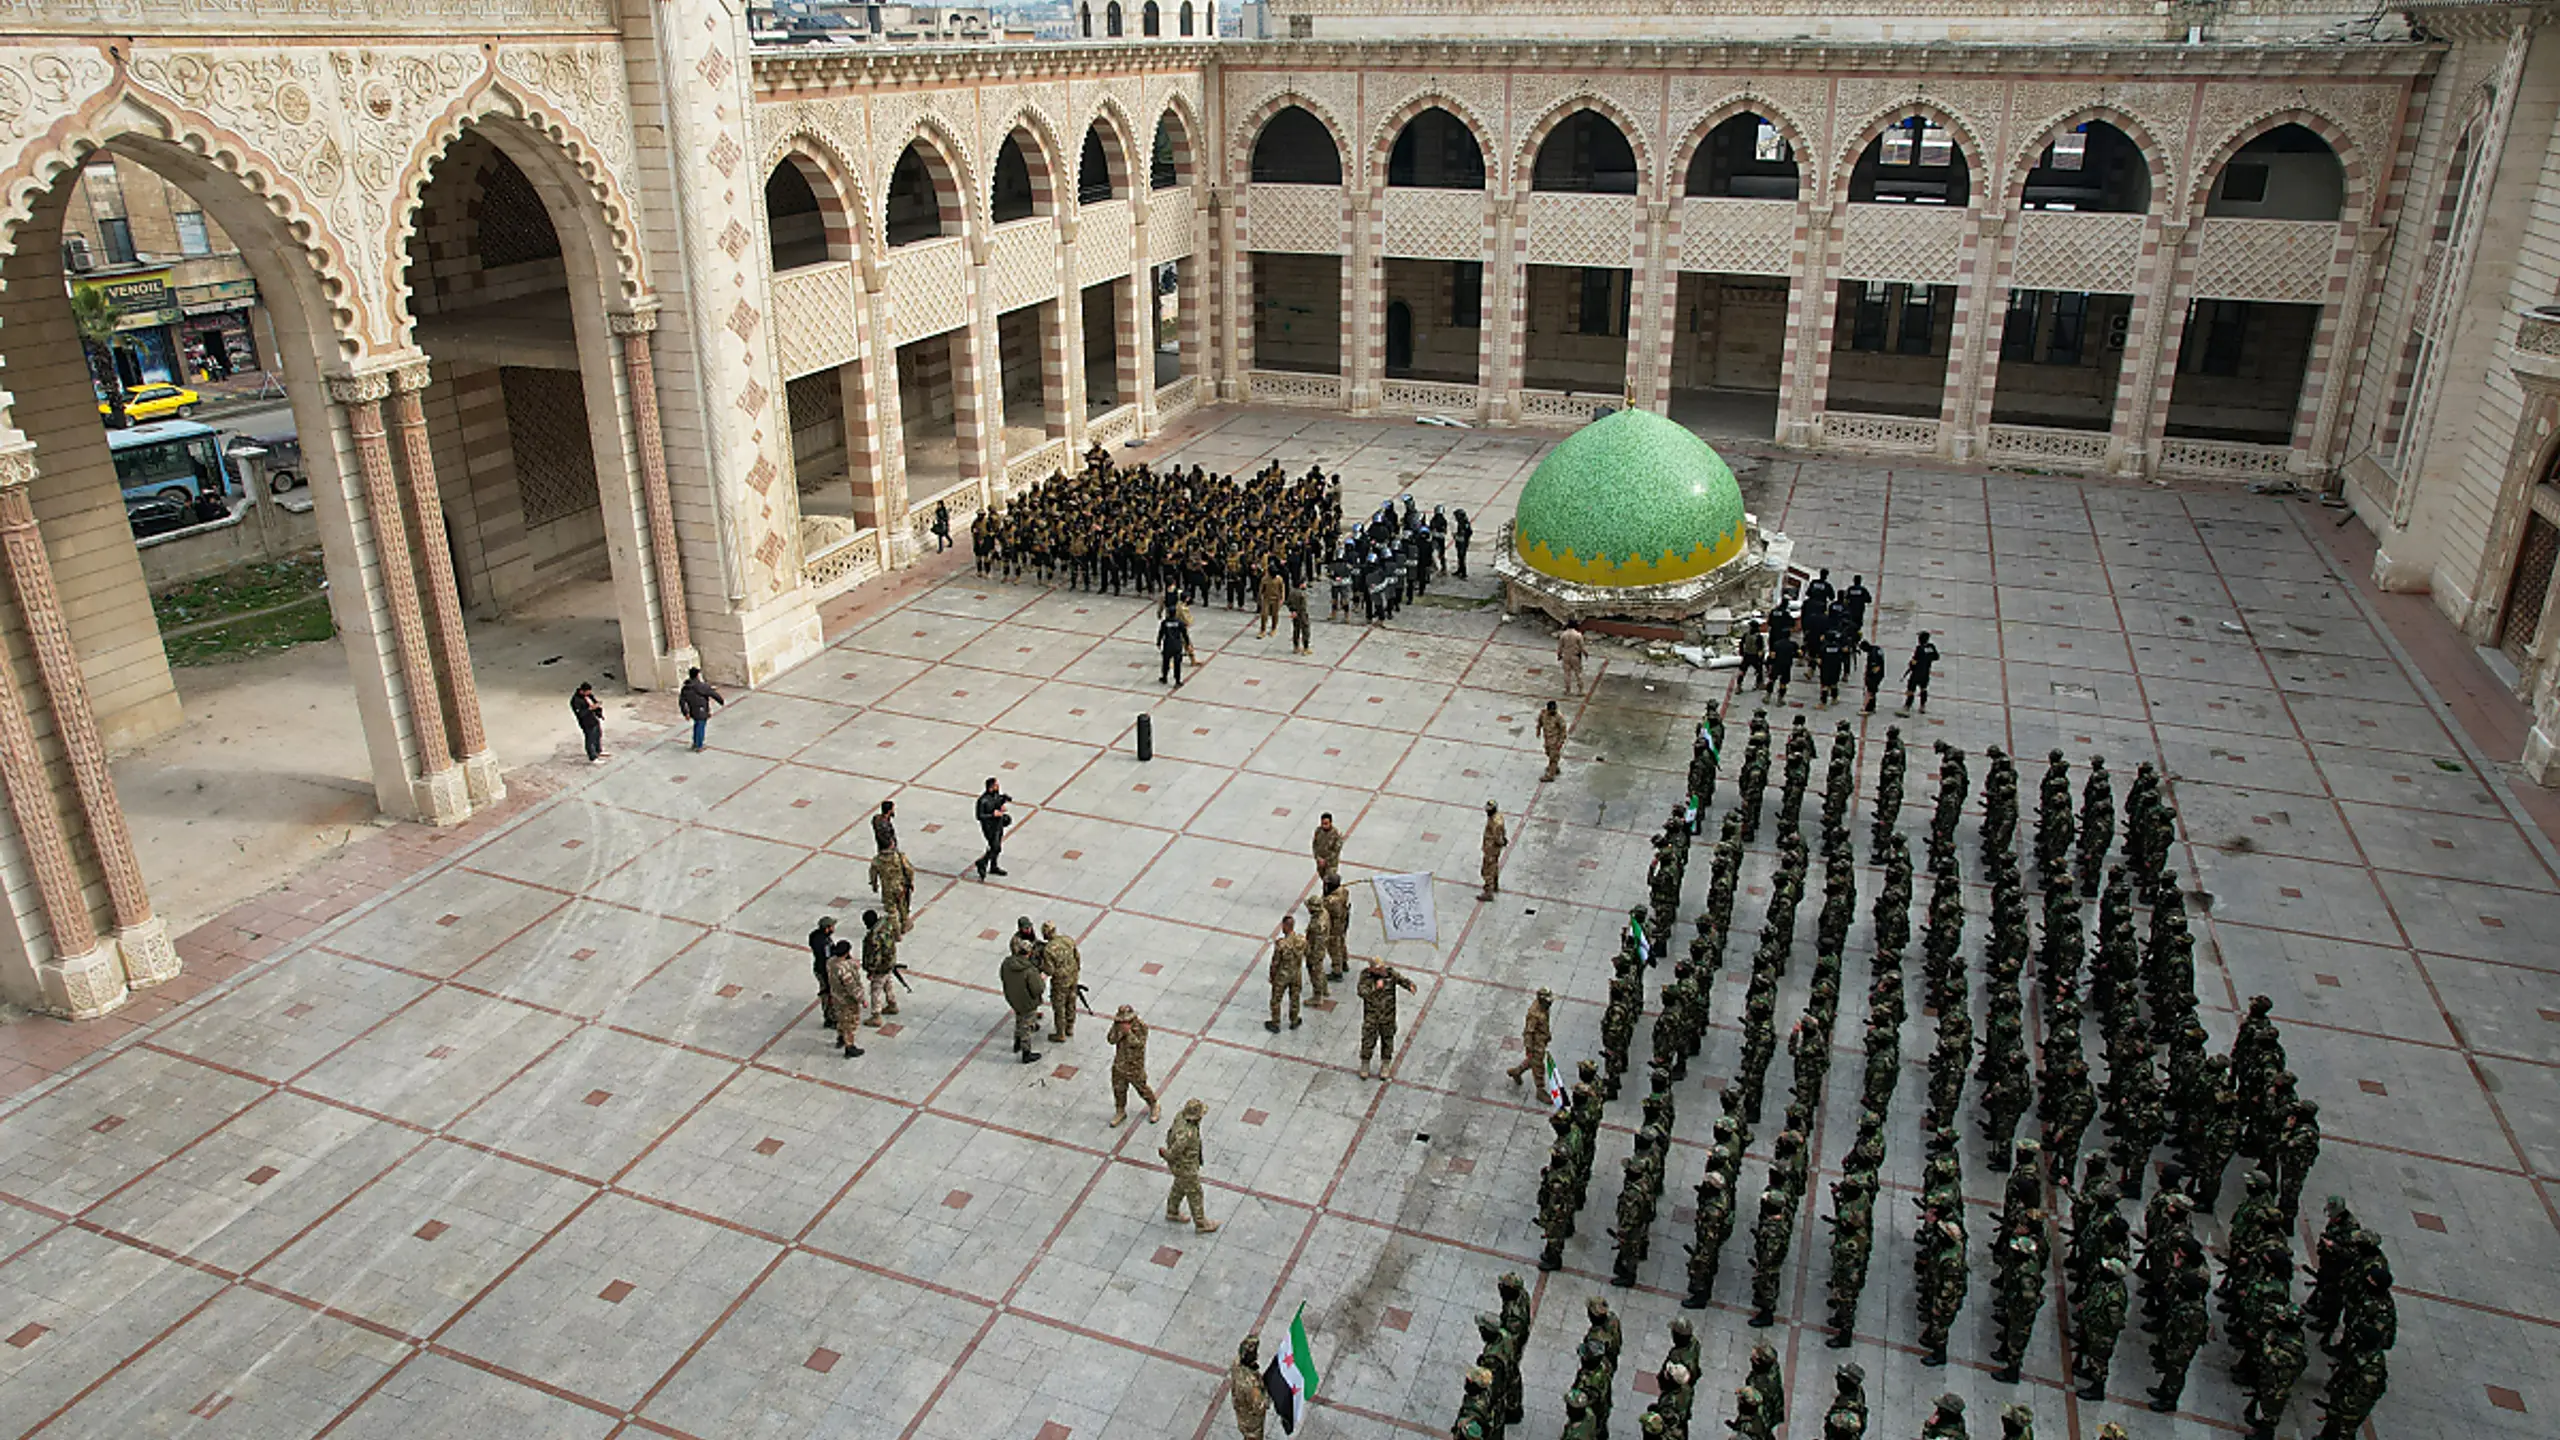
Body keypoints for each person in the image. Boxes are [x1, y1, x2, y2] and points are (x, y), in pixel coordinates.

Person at [1162, 1098, 1223, 1233]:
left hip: (1180, 1167)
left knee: (1179, 1186)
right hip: (1186, 1167)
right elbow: (1174, 1151)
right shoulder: (1186, 1134)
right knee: (1195, 1193)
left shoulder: (1180, 1117)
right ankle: (1201, 1224)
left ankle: (1172, 1211)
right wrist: (1167, 1155)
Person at [1356, 957, 1418, 1079]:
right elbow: (1361, 992)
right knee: (1368, 1040)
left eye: (1382, 967)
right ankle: (1365, 1064)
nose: (1382, 970)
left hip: (1388, 1015)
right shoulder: (1366, 976)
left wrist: (1410, 985)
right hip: (1372, 1016)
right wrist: (1375, 988)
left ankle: (1385, 1064)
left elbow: (1401, 980)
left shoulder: (1389, 974)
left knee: (1387, 1040)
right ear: (1372, 969)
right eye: (1379, 969)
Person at [1107, 1004, 1163, 1125]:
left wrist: (1128, 1033)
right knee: (1119, 1089)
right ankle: (1120, 1111)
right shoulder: (1118, 1025)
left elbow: (1139, 1044)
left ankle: (1154, 1105)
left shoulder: (1141, 1026)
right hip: (1120, 1064)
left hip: (1135, 1066)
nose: (1123, 1022)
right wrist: (1118, 1032)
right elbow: (1111, 1040)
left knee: (1142, 1088)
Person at [1000, 917, 1045, 1063]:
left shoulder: (1007, 963)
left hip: (1013, 997)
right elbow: (1038, 988)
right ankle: (1026, 1053)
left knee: (1019, 1018)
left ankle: (1017, 1042)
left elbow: (1003, 976)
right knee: (1025, 1024)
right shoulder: (1029, 970)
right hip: (1026, 1000)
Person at [1267, 912, 1308, 1031]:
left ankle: (1275, 1023)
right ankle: (1294, 1020)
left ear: (1285, 926)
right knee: (1294, 997)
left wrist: (1272, 976)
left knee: (1276, 999)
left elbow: (1275, 963)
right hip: (1296, 974)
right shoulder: (1301, 940)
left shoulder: (1281, 944)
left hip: (1282, 976)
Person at [826, 938, 866, 1058]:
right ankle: (850, 1046)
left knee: (840, 1018)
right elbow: (852, 988)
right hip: (847, 1000)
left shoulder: (830, 962)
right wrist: (862, 999)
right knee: (850, 1022)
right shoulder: (844, 970)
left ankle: (841, 1037)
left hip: (836, 996)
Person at [1507, 988, 1553, 1085]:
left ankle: (1517, 1071)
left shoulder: (1544, 1008)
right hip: (1536, 1043)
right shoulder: (1534, 1014)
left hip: (1542, 1040)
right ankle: (1540, 1089)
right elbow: (1528, 1032)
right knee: (1539, 1066)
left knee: (1534, 1061)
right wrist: (1529, 1048)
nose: (1550, 1003)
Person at [1231, 1336, 1269, 1439]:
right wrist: (1267, 1395)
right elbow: (1260, 1407)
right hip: (1252, 1423)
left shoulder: (1236, 1363)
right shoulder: (1252, 1387)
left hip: (1241, 1413)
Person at [678, 667, 724, 751]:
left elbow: (681, 701)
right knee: (700, 726)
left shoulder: (686, 688)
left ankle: (695, 743)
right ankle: (699, 745)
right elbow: (713, 694)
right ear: (697, 676)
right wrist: (721, 701)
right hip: (701, 709)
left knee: (697, 725)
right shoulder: (701, 686)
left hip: (692, 710)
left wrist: (685, 713)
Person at [975, 778, 1012, 880]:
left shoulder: (996, 796)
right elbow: (979, 815)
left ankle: (992, 866)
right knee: (995, 847)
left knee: (996, 846)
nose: (998, 786)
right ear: (990, 787)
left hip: (998, 824)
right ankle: (982, 862)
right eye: (996, 785)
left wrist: (1003, 802)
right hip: (989, 827)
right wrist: (992, 814)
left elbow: (998, 802)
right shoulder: (983, 800)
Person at [808, 916, 839, 1028]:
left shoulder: (815, 936)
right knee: (828, 994)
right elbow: (827, 958)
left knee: (826, 993)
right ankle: (831, 1018)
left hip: (819, 968)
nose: (833, 928)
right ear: (827, 928)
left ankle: (829, 1017)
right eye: (832, 926)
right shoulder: (824, 943)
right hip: (824, 971)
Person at [1904, 632, 1941, 712]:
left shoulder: (1919, 648)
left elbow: (1914, 661)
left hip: (1917, 672)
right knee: (1923, 688)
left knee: (1911, 689)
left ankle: (1908, 705)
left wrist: (1911, 665)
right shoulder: (1931, 647)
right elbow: (1936, 657)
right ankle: (1922, 706)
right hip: (1926, 672)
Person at [1478, 800, 1507, 901]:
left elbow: (1498, 836)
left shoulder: (1495, 822)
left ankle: (1488, 892)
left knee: (1487, 869)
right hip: (1492, 847)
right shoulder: (1498, 817)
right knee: (1494, 865)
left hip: (1491, 848)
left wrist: (1501, 842)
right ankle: (1495, 885)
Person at [570, 682, 606, 762]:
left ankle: (598, 750)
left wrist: (598, 709)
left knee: (598, 734)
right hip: (586, 721)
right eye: (587, 692)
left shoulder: (588, 695)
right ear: (582, 691)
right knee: (590, 738)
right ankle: (592, 756)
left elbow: (594, 702)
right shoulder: (576, 700)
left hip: (593, 718)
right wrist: (590, 708)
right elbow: (581, 713)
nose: (589, 693)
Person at [1158, 603, 1189, 686]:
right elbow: (1185, 634)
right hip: (1177, 645)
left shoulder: (1165, 623)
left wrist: (1158, 642)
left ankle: (1164, 677)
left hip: (1167, 645)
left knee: (1165, 662)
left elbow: (1161, 633)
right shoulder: (1180, 623)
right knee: (1177, 664)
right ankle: (1177, 681)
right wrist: (1187, 643)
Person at [1538, 700, 1568, 782]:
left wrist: (1561, 742)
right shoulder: (1544, 713)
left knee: (1553, 756)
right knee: (1548, 752)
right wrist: (1538, 730)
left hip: (1555, 740)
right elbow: (1540, 721)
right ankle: (1554, 767)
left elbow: (1563, 730)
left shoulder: (1559, 717)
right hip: (1547, 739)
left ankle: (1550, 775)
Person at [1557, 619, 1588, 696]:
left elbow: (1560, 647)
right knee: (1578, 673)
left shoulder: (1563, 635)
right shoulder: (1578, 635)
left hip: (1566, 656)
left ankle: (1568, 690)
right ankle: (1580, 691)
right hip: (1575, 656)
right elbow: (1582, 647)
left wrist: (1559, 655)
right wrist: (1586, 654)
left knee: (1567, 674)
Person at [1285, 576, 1312, 654]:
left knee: (1296, 630)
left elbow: (1288, 602)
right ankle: (1306, 648)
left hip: (1295, 614)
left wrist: (1293, 611)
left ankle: (1296, 647)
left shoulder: (1292, 592)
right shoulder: (1302, 594)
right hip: (1302, 614)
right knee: (1305, 630)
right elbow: (1303, 606)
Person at [1861, 642, 1886, 715]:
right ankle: (1872, 707)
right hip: (1880, 674)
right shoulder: (1876, 648)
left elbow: (1876, 668)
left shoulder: (1873, 655)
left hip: (1875, 676)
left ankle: (1869, 708)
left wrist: (1869, 676)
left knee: (1871, 691)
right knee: (1872, 691)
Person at [1453, 508, 1473, 579]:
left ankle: (1464, 573)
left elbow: (1469, 532)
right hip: (1459, 541)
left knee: (1462, 557)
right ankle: (1460, 569)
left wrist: (1464, 537)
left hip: (1463, 543)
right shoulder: (1460, 522)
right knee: (1459, 556)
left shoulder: (1465, 523)